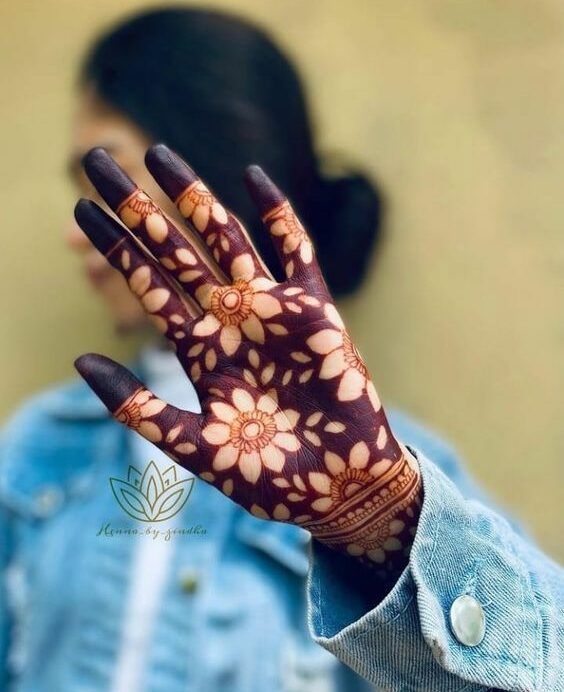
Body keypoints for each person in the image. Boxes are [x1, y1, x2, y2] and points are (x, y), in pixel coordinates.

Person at [0, 7, 561, 692]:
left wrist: (380, 528)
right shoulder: (35, 453)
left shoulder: (393, 482)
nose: (74, 231)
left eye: (104, 179)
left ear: (203, 166)